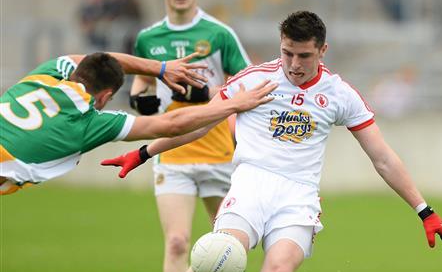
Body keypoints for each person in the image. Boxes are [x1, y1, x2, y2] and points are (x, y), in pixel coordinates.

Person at [103, 11, 442, 272]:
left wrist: (425, 211)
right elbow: (200, 123)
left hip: (298, 197)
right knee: (220, 258)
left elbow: (383, 157)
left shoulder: (340, 94)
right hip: (250, 184)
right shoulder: (254, 80)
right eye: (287, 53)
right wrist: (143, 153)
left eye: (304, 56)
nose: (294, 64)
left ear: (323, 51)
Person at [130, 0, 251, 272]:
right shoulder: (148, 39)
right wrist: (142, 99)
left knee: (230, 243)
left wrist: (211, 98)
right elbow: (143, 85)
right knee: (178, 240)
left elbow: (247, 87)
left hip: (219, 153)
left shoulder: (219, 35)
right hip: (173, 154)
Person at [0, 51, 275, 195]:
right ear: (107, 96)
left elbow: (99, 57)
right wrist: (235, 104)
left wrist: (161, 68)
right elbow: (172, 124)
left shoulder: (47, 74)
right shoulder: (92, 122)